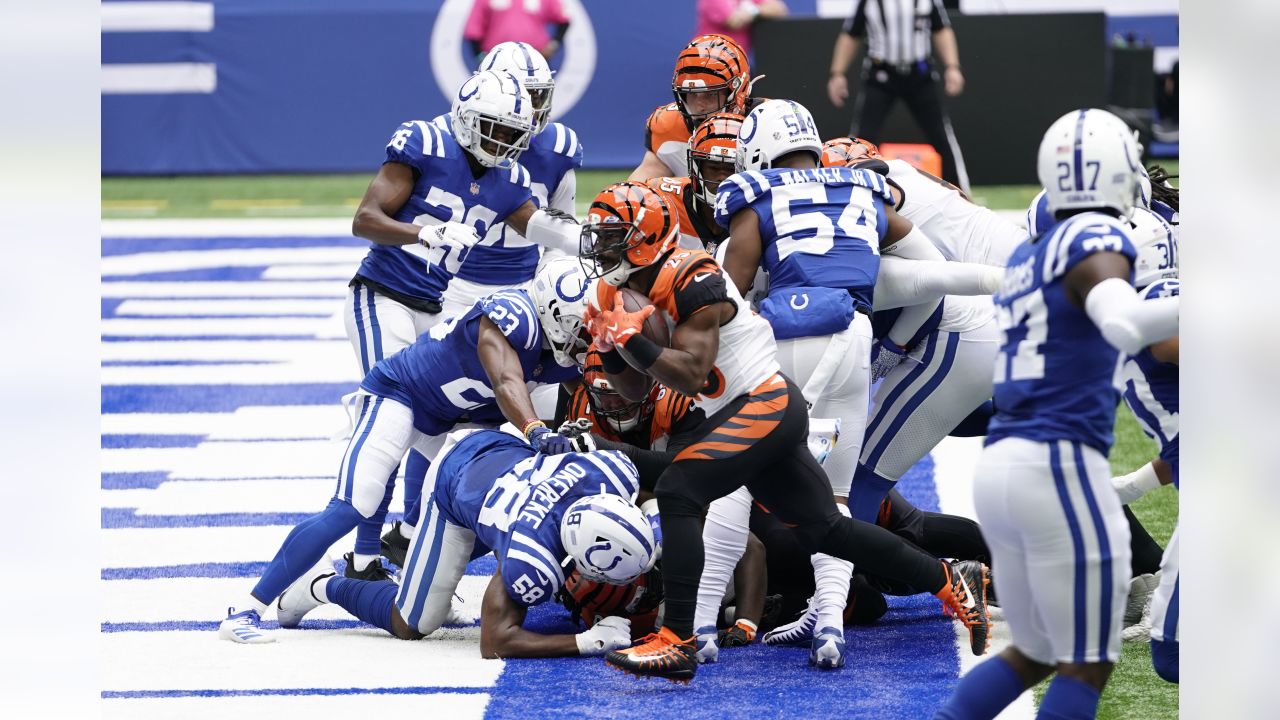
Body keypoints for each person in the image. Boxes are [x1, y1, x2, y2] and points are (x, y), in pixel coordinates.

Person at [578, 181, 991, 682]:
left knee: (678, 489)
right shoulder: (622, 287)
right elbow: (639, 387)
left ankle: (678, 640)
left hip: (765, 403)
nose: (599, 248)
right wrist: (611, 343)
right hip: (744, 410)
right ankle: (948, 579)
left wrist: (631, 341)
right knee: (827, 530)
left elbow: (690, 374)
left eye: (612, 236)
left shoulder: (694, 278)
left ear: (645, 237)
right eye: (598, 236)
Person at [932, 109, 1179, 720]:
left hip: (1002, 468)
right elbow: (1124, 321)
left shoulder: (1027, 258)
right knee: (1087, 660)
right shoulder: (1096, 237)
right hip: (1057, 463)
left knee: (1039, 649)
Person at [217, 260, 591, 644]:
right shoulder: (513, 316)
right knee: (354, 503)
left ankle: (406, 558)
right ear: (552, 311)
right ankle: (247, 608)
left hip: (454, 417)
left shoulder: (566, 346)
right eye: (577, 325)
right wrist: (536, 431)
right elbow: (505, 380)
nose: (582, 338)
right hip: (404, 395)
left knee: (480, 510)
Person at [274, 428, 655, 659]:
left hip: (499, 448)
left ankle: (419, 564)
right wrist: (584, 643)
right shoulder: (531, 554)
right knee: (415, 621)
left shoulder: (611, 472)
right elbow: (494, 642)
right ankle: (322, 583)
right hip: (454, 485)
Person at [827, 0, 969, 192]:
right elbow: (851, 34)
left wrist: (953, 66)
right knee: (861, 141)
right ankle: (851, 190)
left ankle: (960, 193)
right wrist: (837, 73)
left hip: (919, 74)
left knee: (942, 137)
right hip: (881, 74)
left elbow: (941, 29)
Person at [629, 34, 761, 182]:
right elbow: (637, 190)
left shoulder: (766, 124)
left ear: (737, 92)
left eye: (710, 94)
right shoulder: (669, 127)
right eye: (692, 95)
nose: (699, 105)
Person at [464, 0, 570, 64]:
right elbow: (474, 29)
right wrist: (482, 58)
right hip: (497, 61)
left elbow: (564, 20)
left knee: (535, 100)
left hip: (534, 61)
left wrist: (553, 45)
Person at [695, 0, 789, 57]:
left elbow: (780, 10)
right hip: (707, 61)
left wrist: (754, 10)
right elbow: (734, 21)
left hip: (738, 63)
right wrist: (755, 9)